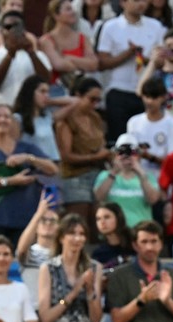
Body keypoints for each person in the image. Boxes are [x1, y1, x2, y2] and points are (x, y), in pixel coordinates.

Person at [0, 103, 58, 252]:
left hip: (22, 221)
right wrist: (10, 181)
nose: (3, 120)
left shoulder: (26, 148)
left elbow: (52, 169)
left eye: (7, 116)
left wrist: (29, 158)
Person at [97, 0, 167, 142]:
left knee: (146, 139)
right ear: (123, 3)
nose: (141, 4)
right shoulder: (110, 27)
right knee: (119, 139)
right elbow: (103, 62)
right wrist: (128, 53)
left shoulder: (155, 26)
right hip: (118, 90)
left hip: (147, 94)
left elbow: (162, 61)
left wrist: (144, 58)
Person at [55, 78, 108, 228]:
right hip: (75, 177)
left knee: (98, 224)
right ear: (77, 96)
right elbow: (66, 155)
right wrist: (95, 156)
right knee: (77, 223)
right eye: (91, 99)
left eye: (98, 100)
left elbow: (101, 143)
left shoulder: (95, 117)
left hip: (98, 174)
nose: (94, 104)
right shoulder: (66, 120)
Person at [0, 10, 47, 110]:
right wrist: (10, 54)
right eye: (8, 27)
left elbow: (46, 80)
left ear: (24, 29)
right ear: (1, 31)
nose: (13, 30)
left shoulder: (38, 55)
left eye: (17, 26)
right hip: (2, 116)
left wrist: (31, 53)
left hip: (29, 115)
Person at [127, 77, 173, 172]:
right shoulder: (133, 122)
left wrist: (149, 157)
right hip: (137, 179)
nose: (149, 102)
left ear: (164, 97)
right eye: (147, 97)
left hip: (161, 179)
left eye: (154, 98)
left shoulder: (171, 123)